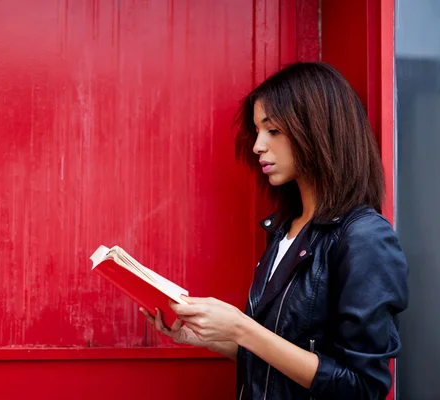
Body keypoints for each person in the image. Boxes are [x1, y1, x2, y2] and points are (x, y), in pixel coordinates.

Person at [140, 62, 409, 400]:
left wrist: (242, 327)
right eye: (256, 131)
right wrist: (208, 337)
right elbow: (277, 357)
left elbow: (362, 386)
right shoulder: (284, 230)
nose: (257, 146)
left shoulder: (365, 237)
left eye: (273, 131)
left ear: (317, 129)